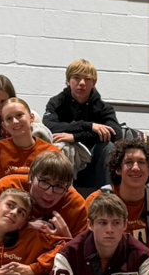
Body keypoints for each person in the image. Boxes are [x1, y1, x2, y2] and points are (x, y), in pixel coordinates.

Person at [86, 137, 149, 275]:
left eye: (141, 162)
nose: (135, 167)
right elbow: (85, 247)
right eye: (129, 162)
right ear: (118, 169)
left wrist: (131, 263)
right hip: (105, 267)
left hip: (144, 269)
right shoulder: (96, 201)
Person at [0, 151, 89, 249]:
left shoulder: (76, 205)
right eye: (44, 182)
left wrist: (66, 237)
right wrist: (22, 226)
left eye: (59, 186)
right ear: (31, 177)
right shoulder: (6, 187)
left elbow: (84, 261)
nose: (49, 192)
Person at [42, 59, 122, 189]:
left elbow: (116, 133)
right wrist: (89, 126)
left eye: (87, 79)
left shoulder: (103, 108)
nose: (82, 83)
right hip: (63, 165)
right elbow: (49, 126)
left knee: (107, 146)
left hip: (93, 169)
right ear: (68, 81)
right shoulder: (57, 102)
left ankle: (107, 198)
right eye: (77, 78)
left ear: (94, 83)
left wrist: (75, 137)